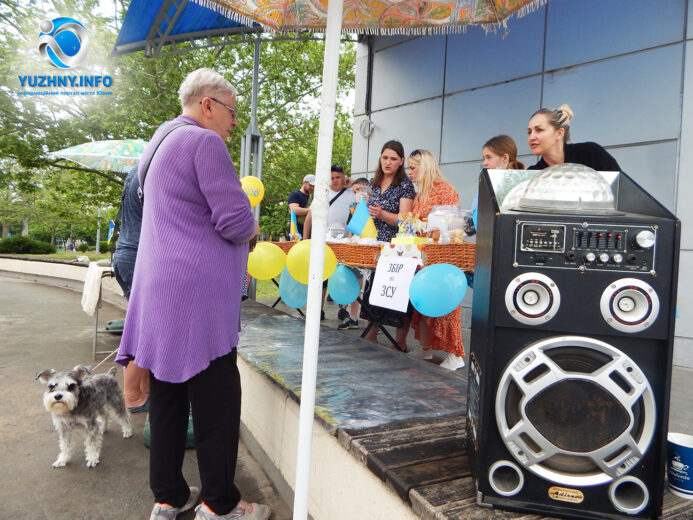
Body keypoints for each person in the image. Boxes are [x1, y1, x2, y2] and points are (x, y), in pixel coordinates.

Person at [115, 68, 269, 520]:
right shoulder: (205, 143)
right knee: (217, 401)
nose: (234, 122)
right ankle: (221, 506)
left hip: (160, 288)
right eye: (231, 111)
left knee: (167, 397)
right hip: (198, 295)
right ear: (207, 105)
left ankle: (168, 496)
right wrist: (255, 225)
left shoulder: (158, 144)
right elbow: (235, 221)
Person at [406, 149, 466, 370]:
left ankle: (454, 354)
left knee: (446, 303)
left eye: (413, 168)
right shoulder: (420, 193)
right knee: (422, 301)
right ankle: (425, 347)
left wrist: (425, 225)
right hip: (422, 254)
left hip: (442, 255)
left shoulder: (446, 191)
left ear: (425, 167)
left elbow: (454, 225)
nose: (410, 172)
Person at [360, 140, 416, 350]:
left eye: (393, 159)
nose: (388, 162)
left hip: (397, 247)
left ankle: (399, 342)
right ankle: (371, 335)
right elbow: (366, 215)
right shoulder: (374, 183)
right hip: (375, 244)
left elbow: (405, 220)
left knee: (398, 294)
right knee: (373, 291)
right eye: (385, 157)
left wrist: (382, 214)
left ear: (401, 161)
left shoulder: (405, 185)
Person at [111, 165, 150, 413]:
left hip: (125, 254)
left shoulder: (133, 173)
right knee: (145, 329)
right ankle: (131, 396)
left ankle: (144, 390)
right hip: (138, 256)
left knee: (143, 326)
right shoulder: (150, 175)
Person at [303, 165, 359, 322]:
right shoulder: (322, 195)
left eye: (338, 177)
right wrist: (305, 240)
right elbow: (310, 217)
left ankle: (343, 309)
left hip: (345, 241)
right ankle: (318, 310)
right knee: (322, 278)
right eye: (332, 178)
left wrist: (351, 182)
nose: (335, 181)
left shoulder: (351, 193)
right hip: (324, 242)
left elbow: (364, 191)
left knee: (344, 275)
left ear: (343, 177)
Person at [527, 104, 621, 171]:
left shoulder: (591, 154)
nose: (532, 137)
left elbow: (621, 189)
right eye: (529, 132)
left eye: (539, 130)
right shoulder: (533, 173)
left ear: (559, 133)